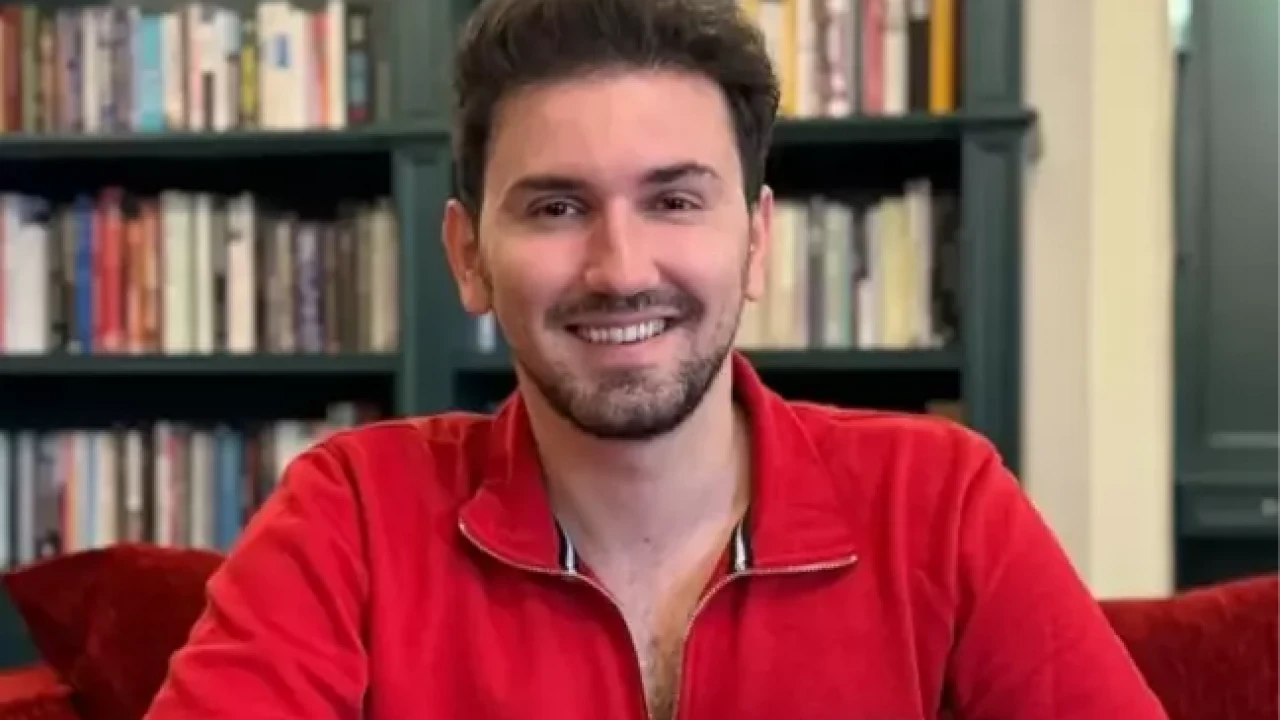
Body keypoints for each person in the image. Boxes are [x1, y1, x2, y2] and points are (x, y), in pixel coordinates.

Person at [143, 0, 1169, 718]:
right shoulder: (352, 511)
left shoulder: (938, 499)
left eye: (674, 200)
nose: (620, 268)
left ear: (756, 242)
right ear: (467, 257)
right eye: (556, 207)